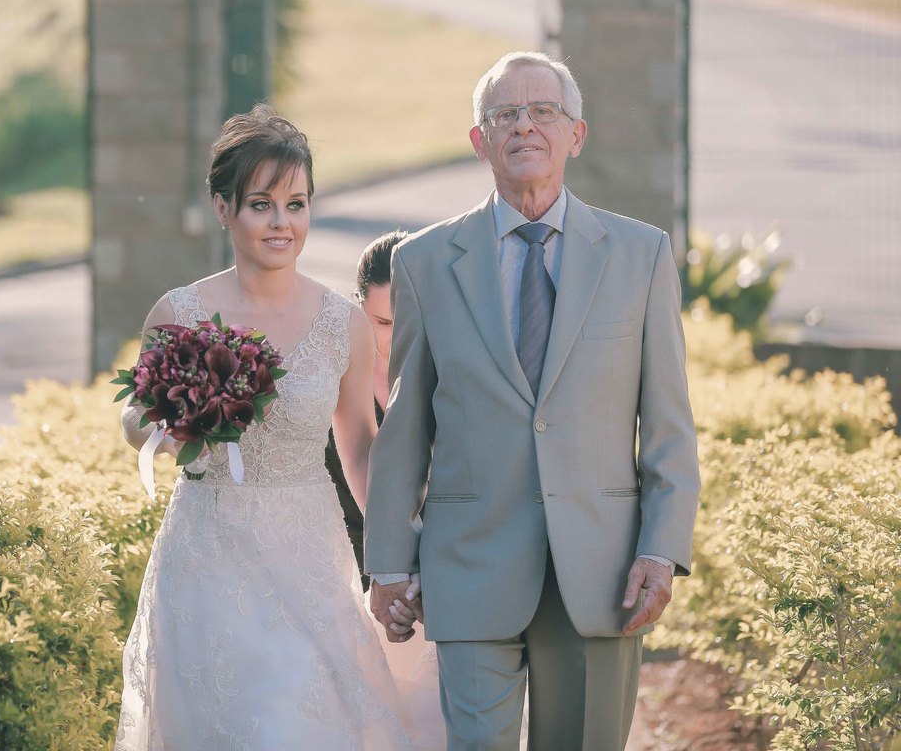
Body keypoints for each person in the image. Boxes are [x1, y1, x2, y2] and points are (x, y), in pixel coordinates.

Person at [364, 51, 702, 751]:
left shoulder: (641, 256)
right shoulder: (423, 262)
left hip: (603, 571)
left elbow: (669, 424)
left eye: (543, 111)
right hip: (470, 564)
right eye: (505, 114)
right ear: (478, 140)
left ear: (576, 134)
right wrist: (389, 563)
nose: (525, 126)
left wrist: (661, 549)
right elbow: (406, 427)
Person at [114, 106, 431, 750]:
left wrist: (398, 553)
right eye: (261, 204)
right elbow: (135, 414)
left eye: (296, 204)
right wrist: (170, 426)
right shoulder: (179, 311)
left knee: (297, 722)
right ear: (223, 207)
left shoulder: (343, 324)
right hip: (206, 556)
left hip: (308, 557)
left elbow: (360, 449)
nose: (282, 222)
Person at [324, 229, 408, 592]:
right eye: (383, 323)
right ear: (358, 308)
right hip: (347, 565)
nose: (398, 334)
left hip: (435, 564)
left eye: (409, 316)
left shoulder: (454, 373)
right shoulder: (333, 380)